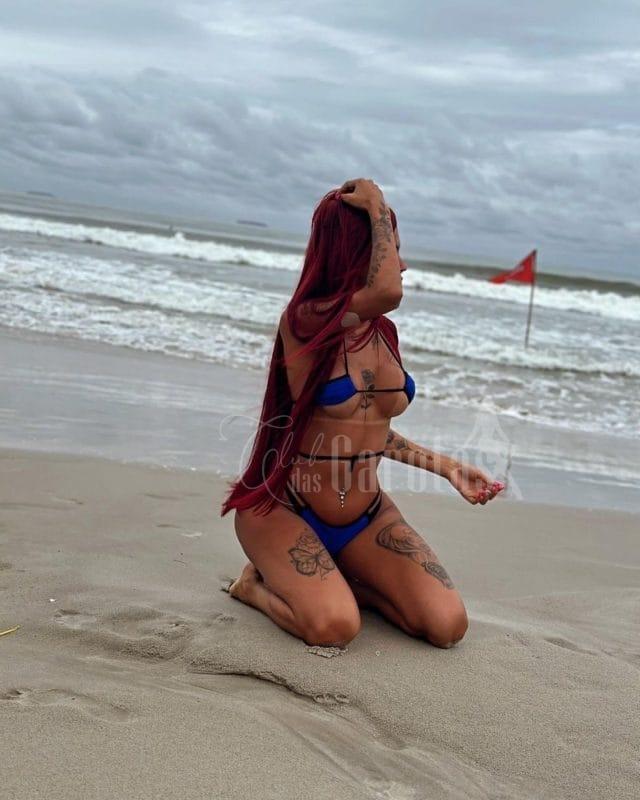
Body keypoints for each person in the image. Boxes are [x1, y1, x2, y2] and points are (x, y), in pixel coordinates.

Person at [221, 178, 503, 649]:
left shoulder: (384, 333)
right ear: (358, 253)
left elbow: (368, 432)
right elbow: (388, 291)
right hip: (288, 509)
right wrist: (375, 206)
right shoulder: (306, 320)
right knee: (335, 629)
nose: (402, 264)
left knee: (447, 625)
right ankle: (253, 587)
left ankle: (345, 583)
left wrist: (447, 467)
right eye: (393, 249)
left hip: (366, 517)